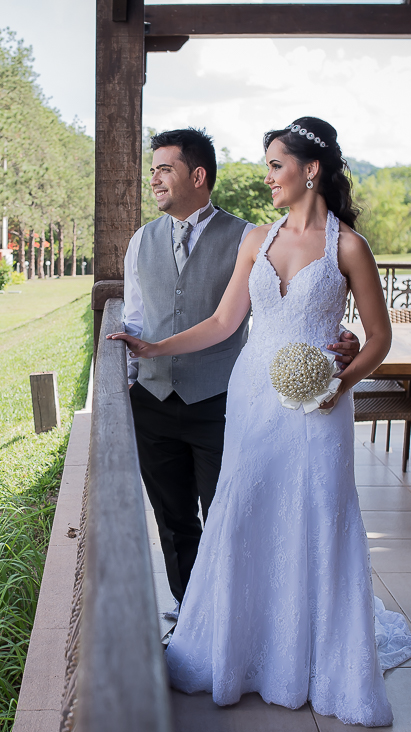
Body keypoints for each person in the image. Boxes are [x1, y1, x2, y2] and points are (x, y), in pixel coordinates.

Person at [110, 117, 411, 727]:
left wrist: (340, 381)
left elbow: (379, 338)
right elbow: (226, 323)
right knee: (245, 509)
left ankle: (312, 658)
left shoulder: (348, 248)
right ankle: (238, 650)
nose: (268, 176)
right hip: (252, 397)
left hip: (318, 409)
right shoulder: (257, 237)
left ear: (312, 170)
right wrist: (155, 349)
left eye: (276, 164)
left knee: (314, 518)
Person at [124, 128, 359, 620]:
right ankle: (194, 616)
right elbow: (151, 317)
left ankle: (250, 615)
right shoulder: (143, 240)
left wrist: (343, 358)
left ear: (198, 174)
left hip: (226, 399)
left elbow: (300, 308)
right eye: (153, 170)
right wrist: (143, 356)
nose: (155, 179)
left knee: (236, 513)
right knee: (173, 519)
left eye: (164, 168)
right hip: (160, 398)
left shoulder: (253, 235)